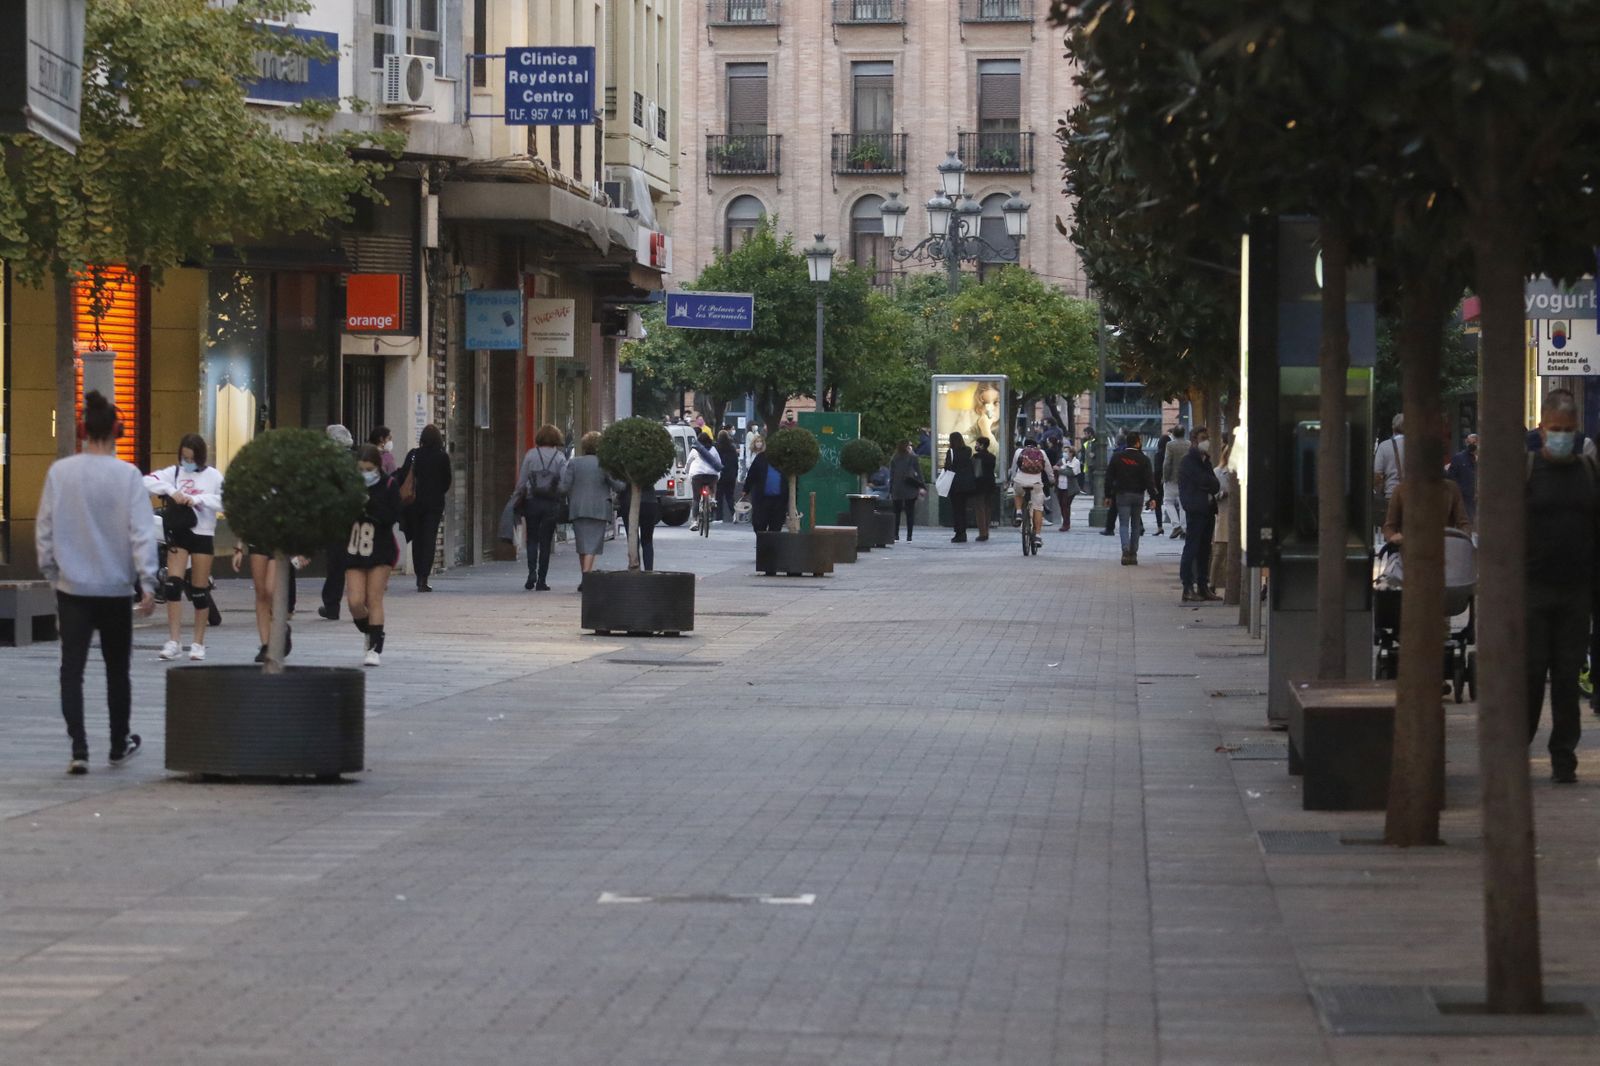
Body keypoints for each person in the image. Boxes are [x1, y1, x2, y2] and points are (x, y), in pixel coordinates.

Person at [35, 391, 158, 774]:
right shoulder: (128, 476)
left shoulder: (61, 473)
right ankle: (118, 742)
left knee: (71, 668)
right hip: (115, 588)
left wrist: (52, 572)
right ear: (117, 431)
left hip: (72, 589)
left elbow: (45, 530)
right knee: (116, 670)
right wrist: (148, 581)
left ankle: (79, 748)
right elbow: (141, 532)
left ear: (84, 431)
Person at [1525, 390, 1597, 783]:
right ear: (1542, 428)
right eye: (1555, 430)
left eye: (1568, 431)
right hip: (1532, 590)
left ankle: (1563, 760)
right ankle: (1517, 750)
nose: (1562, 437)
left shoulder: (1588, 472)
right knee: (1531, 675)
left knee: (1567, 681)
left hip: (1575, 593)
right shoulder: (1528, 469)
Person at [144, 433, 224, 661]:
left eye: (190, 458)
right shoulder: (175, 472)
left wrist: (199, 500)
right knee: (172, 585)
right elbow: (146, 481)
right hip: (179, 532)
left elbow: (225, 500)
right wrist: (171, 491)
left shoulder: (213, 476)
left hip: (203, 533)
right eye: (183, 457)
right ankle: (174, 640)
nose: (187, 462)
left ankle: (198, 643)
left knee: (199, 591)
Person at [344, 444, 402, 666]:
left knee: (374, 598)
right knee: (355, 602)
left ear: (377, 467)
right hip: (355, 547)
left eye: (368, 469)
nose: (364, 474)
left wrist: (370, 508)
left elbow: (393, 515)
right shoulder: (351, 486)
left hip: (381, 548)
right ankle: (371, 632)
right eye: (360, 469)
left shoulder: (389, 485)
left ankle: (374, 648)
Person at [560, 431, 624, 591]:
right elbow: (618, 486)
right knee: (592, 546)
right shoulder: (604, 464)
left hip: (578, 508)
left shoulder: (574, 463)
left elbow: (564, 487)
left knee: (582, 545)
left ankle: (585, 576)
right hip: (599, 508)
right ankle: (587, 576)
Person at [398, 424, 452, 592]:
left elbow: (403, 476)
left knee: (417, 539)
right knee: (429, 540)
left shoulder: (414, 455)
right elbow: (447, 481)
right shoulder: (442, 457)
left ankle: (418, 574)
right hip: (434, 504)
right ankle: (424, 578)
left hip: (414, 503)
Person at [230, 541, 301, 663]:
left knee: (270, 591)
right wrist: (239, 548)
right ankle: (266, 645)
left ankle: (281, 628)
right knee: (261, 593)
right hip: (256, 540)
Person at [517, 424, 568, 592]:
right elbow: (565, 482)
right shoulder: (560, 458)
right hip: (551, 504)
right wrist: (559, 493)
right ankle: (542, 580)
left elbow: (522, 480)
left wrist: (517, 496)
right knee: (546, 542)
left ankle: (531, 573)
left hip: (532, 502)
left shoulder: (531, 455)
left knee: (532, 539)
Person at [1178, 427, 1222, 598]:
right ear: (1194, 440)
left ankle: (1202, 585)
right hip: (1196, 509)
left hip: (1208, 509)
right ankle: (1187, 586)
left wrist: (1209, 483)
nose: (1207, 441)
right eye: (1203, 438)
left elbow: (1215, 485)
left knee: (1205, 549)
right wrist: (1209, 483)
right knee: (1192, 547)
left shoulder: (1206, 461)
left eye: (1207, 437)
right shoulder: (1189, 461)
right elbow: (1204, 480)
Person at [318, 424, 357, 620]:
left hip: (336, 518)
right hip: (357, 519)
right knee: (355, 561)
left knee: (335, 563)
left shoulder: (329, 462)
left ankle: (332, 604)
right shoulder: (357, 459)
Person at [1105, 430, 1157, 565]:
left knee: (1123, 524)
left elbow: (1109, 477)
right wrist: (1153, 497)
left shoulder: (1117, 457)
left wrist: (1108, 495)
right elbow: (1149, 480)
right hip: (1138, 495)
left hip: (1122, 494)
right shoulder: (1144, 459)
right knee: (1135, 525)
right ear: (1138, 442)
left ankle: (1125, 550)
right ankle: (1133, 553)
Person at [1381, 478, 1473, 544]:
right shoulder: (1401, 490)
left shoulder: (1451, 489)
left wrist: (1462, 538)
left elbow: (1464, 523)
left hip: (1445, 550)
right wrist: (1394, 537)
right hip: (1411, 552)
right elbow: (1389, 527)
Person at [1010, 437, 1049, 548]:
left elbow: (1014, 468)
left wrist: (1013, 479)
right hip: (1036, 484)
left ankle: (1018, 512)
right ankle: (1037, 536)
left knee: (1018, 493)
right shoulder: (1042, 453)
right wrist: (1051, 480)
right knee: (1038, 508)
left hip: (1020, 481)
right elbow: (1048, 469)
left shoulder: (1019, 452)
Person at [1209, 435, 1235, 593]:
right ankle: (1212, 583)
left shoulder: (1242, 474)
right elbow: (1212, 493)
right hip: (1223, 513)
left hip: (1238, 517)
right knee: (1219, 552)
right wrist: (1221, 494)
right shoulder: (1217, 472)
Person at [616, 481, 661, 570]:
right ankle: (648, 570)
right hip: (649, 501)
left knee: (632, 538)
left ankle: (635, 568)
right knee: (647, 540)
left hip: (628, 500)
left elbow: (619, 485)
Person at [742, 447, 788, 532]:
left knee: (776, 527)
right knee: (759, 525)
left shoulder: (785, 459)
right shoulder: (761, 458)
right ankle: (762, 543)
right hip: (762, 499)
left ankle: (772, 544)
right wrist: (746, 489)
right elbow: (752, 474)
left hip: (779, 500)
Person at [888, 441, 925, 541]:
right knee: (910, 512)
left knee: (896, 512)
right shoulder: (913, 458)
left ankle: (895, 534)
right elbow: (919, 472)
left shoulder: (894, 458)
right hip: (910, 487)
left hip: (897, 488)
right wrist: (922, 486)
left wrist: (890, 490)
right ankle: (909, 535)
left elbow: (891, 476)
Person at [944, 432, 977, 543]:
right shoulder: (968, 451)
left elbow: (947, 467)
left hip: (955, 484)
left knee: (956, 510)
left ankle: (959, 533)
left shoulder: (951, 452)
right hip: (967, 484)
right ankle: (963, 532)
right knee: (963, 509)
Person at [1373, 413, 1406, 521]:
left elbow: (1377, 475)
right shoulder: (1417, 447)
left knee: (1392, 530)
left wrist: (1379, 493)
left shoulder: (1384, 446)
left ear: (1393, 427)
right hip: (1413, 497)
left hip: (1391, 496)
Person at [686, 427, 724, 522]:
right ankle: (712, 498)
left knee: (696, 498)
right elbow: (718, 462)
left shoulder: (695, 450)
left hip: (697, 475)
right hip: (711, 476)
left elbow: (688, 462)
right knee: (715, 479)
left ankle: (694, 521)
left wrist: (685, 471)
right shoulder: (714, 449)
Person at [1160, 425, 1187, 539]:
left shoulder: (1170, 445)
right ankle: (1184, 527)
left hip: (1171, 479)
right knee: (1183, 505)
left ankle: (1176, 526)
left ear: (1174, 434)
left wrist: (1165, 477)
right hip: (1185, 479)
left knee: (1168, 502)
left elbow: (1167, 463)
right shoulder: (1189, 444)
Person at [1447, 432, 1478, 523]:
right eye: (1469, 443)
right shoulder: (1459, 458)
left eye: (1474, 443)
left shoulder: (1483, 459)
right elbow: (1452, 476)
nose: (1471, 445)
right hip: (1465, 498)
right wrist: (1460, 491)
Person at [972, 437, 998, 541]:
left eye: (977, 444)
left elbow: (975, 471)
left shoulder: (976, 457)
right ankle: (986, 531)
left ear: (982, 445)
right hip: (990, 484)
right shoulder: (992, 457)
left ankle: (982, 533)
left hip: (979, 485)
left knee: (980, 509)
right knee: (988, 508)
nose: (976, 446)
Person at [715, 429, 740, 521]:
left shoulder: (717, 448)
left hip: (720, 475)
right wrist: (735, 474)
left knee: (719, 497)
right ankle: (734, 514)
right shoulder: (732, 448)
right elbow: (735, 463)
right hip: (731, 475)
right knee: (730, 496)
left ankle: (719, 517)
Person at [1056, 442, 1081, 532]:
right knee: (1062, 505)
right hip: (1060, 486)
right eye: (1064, 451)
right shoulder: (1061, 460)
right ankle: (1066, 522)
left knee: (1065, 504)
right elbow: (1055, 467)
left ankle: (1066, 524)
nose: (1065, 453)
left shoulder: (1076, 462)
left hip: (1070, 488)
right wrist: (1060, 469)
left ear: (1071, 453)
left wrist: (1060, 470)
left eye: (1067, 451)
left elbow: (1071, 473)